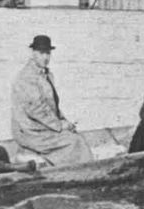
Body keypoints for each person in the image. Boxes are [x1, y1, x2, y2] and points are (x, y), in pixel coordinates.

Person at [10, 34, 95, 166]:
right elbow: (36, 109)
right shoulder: (26, 77)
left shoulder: (46, 75)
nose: (45, 57)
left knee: (74, 134)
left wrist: (65, 121)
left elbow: (52, 106)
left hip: (42, 126)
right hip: (30, 132)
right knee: (75, 141)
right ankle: (82, 174)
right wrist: (60, 125)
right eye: (41, 53)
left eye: (48, 53)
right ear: (33, 53)